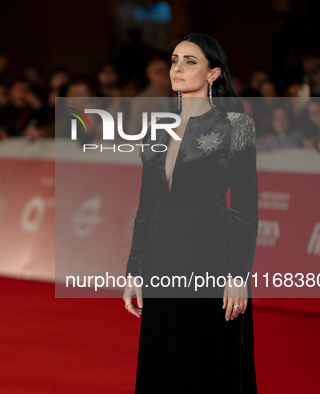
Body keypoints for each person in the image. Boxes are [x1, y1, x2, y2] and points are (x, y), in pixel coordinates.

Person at [123, 33, 259, 393]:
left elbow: (246, 207)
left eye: (190, 61)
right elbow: (145, 205)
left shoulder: (235, 125)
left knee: (211, 363)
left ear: (213, 74)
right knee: (165, 362)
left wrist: (238, 274)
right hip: (162, 257)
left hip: (212, 256)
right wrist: (134, 269)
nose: (177, 68)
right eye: (174, 60)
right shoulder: (155, 128)